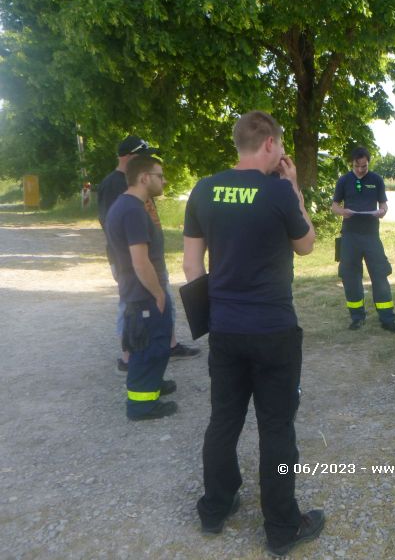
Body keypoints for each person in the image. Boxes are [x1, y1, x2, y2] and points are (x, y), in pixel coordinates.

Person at [182, 111, 324, 556]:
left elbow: (191, 267)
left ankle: (215, 508)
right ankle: (282, 527)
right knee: (277, 428)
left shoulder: (203, 190)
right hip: (274, 331)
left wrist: (213, 320)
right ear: (268, 144)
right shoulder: (279, 192)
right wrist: (294, 187)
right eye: (280, 146)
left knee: (224, 420)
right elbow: (306, 244)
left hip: (225, 330)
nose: (282, 154)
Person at [98, 136, 199, 373]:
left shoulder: (140, 183)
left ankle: (167, 346)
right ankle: (128, 357)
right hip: (133, 260)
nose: (149, 159)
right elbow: (111, 225)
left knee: (160, 307)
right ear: (130, 157)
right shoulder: (115, 184)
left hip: (147, 255)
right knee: (132, 307)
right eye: (144, 154)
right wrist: (121, 260)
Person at [105, 154, 178, 421]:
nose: (164, 180)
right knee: (148, 347)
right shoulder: (134, 210)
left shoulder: (125, 205)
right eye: (160, 175)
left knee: (153, 344)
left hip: (138, 291)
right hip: (144, 293)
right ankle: (142, 405)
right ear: (144, 177)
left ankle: (152, 387)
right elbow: (140, 260)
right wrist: (158, 293)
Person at [331, 146, 395, 333]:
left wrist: (382, 211)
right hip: (350, 236)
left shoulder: (376, 180)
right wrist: (342, 212)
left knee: (380, 275)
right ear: (352, 164)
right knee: (350, 277)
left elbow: (384, 205)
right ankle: (357, 317)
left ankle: (387, 319)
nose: (361, 169)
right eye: (357, 166)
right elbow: (334, 206)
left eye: (365, 166)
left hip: (371, 236)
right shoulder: (344, 180)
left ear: (368, 163)